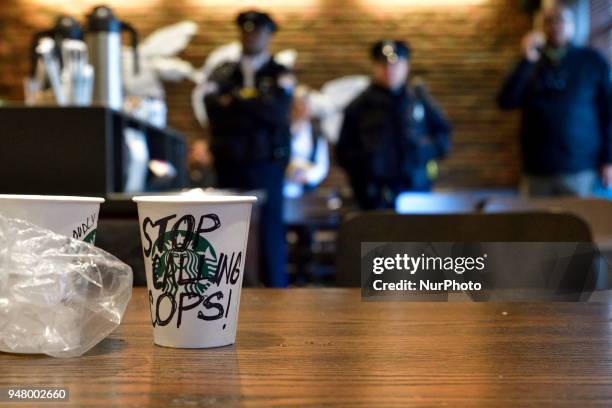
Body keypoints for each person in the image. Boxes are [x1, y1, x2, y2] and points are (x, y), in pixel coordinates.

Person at [202, 10, 295, 287]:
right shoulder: (223, 72)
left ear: (268, 35)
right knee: (226, 230)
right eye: (247, 31)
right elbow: (214, 112)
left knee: (269, 232)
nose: (251, 36)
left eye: (258, 32)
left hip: (266, 165)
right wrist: (257, 103)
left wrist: (237, 101)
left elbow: (278, 113)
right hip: (230, 164)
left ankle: (275, 290)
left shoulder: (280, 73)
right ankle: (225, 288)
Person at [498, 4, 612, 197]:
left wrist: (608, 159)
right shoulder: (531, 62)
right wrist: (526, 60)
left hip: (580, 169)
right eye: (549, 21)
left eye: (561, 20)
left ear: (572, 26)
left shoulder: (591, 61)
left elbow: (609, 113)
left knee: (581, 223)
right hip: (536, 169)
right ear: (541, 27)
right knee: (535, 225)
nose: (555, 25)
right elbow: (506, 101)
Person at [336, 40, 451, 210]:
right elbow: (343, 152)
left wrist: (421, 153)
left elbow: (443, 138)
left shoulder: (419, 101)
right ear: (375, 67)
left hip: (415, 190)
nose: (390, 70)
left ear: (406, 66)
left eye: (396, 65)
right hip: (373, 195)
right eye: (383, 65)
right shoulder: (359, 106)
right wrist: (364, 169)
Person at [284, 85, 330, 198]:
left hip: (304, 191)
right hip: (280, 187)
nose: (303, 108)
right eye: (299, 104)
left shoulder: (315, 131)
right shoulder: (281, 128)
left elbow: (322, 165)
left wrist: (307, 176)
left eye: (306, 104)